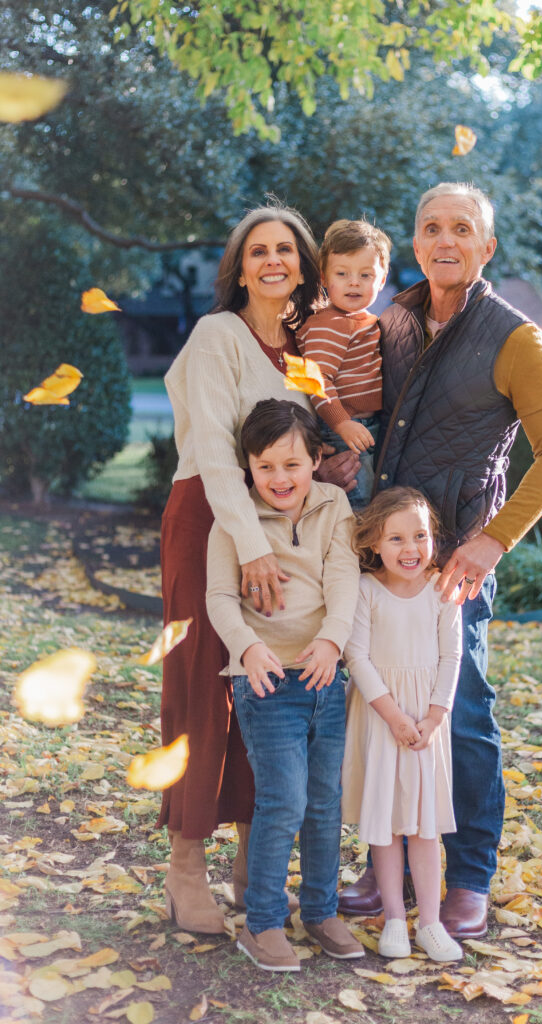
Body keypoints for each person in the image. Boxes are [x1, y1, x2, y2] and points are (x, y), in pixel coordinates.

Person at [338, 182, 542, 939]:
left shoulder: (515, 339)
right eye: (431, 227)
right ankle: (390, 873)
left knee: (461, 713)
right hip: (386, 563)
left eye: (462, 229)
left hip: (452, 570)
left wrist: (488, 541)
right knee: (384, 714)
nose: (445, 240)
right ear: (414, 243)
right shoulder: (396, 318)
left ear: (486, 248)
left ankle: (467, 873)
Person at [159, 204, 326, 934]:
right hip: (209, 516)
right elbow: (222, 456)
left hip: (274, 525)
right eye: (257, 250)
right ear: (239, 266)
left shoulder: (299, 349)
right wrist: (249, 546)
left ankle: (251, 862)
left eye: (284, 249)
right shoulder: (214, 335)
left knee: (269, 679)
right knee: (202, 685)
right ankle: (184, 864)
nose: (271, 261)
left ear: (302, 263)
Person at [205, 399, 363, 972]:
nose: (279, 479)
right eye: (265, 466)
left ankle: (320, 911)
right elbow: (220, 597)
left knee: (325, 804)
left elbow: (345, 578)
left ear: (316, 459)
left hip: (325, 674)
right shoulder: (236, 517)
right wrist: (247, 649)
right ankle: (263, 922)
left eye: (292, 464)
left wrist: (333, 640)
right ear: (248, 467)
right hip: (266, 681)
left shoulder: (334, 505)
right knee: (284, 801)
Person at [342, 487, 463, 962]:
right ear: (374, 542)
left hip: (426, 724)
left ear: (434, 538)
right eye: (396, 539)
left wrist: (435, 716)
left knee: (425, 826)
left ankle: (430, 923)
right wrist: (393, 716)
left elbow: (452, 656)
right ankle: (394, 918)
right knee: (386, 825)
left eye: (420, 536)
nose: (410, 549)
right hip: (382, 718)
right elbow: (358, 656)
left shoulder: (442, 589)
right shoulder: (366, 590)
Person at [297, 219, 390, 508]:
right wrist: (342, 424)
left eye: (365, 275)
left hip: (362, 425)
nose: (354, 282)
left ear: (382, 280)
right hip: (342, 428)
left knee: (373, 499)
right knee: (357, 506)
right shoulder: (330, 324)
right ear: (325, 279)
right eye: (342, 273)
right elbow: (314, 379)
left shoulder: (364, 321)